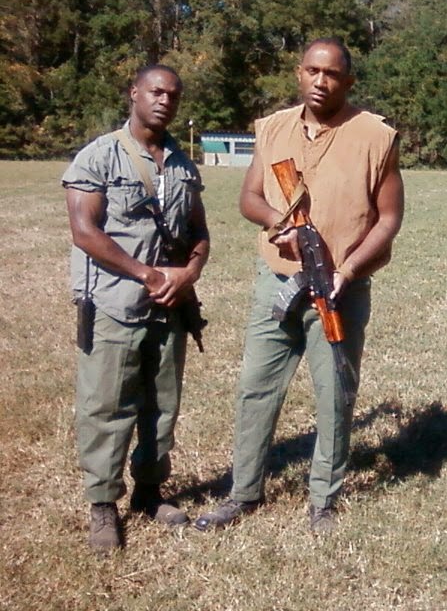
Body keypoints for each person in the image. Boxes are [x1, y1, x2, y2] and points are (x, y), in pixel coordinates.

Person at [194, 38, 403, 534]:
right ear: (298, 73)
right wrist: (275, 224)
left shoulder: (375, 136)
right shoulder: (273, 130)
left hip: (340, 291)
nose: (320, 81)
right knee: (255, 390)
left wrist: (346, 271)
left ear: (347, 81)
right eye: (312, 70)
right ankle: (243, 493)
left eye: (331, 74)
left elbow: (389, 219)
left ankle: (323, 501)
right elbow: (249, 196)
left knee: (335, 394)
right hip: (277, 282)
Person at [63, 64, 210, 553]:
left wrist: (187, 275)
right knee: (106, 405)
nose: (165, 100)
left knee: (162, 403)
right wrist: (144, 273)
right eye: (155, 91)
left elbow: (199, 234)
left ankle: (150, 490)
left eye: (173, 94)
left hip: (169, 307)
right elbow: (85, 231)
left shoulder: (183, 166)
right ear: (134, 94)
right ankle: (103, 504)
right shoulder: (99, 156)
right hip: (114, 304)